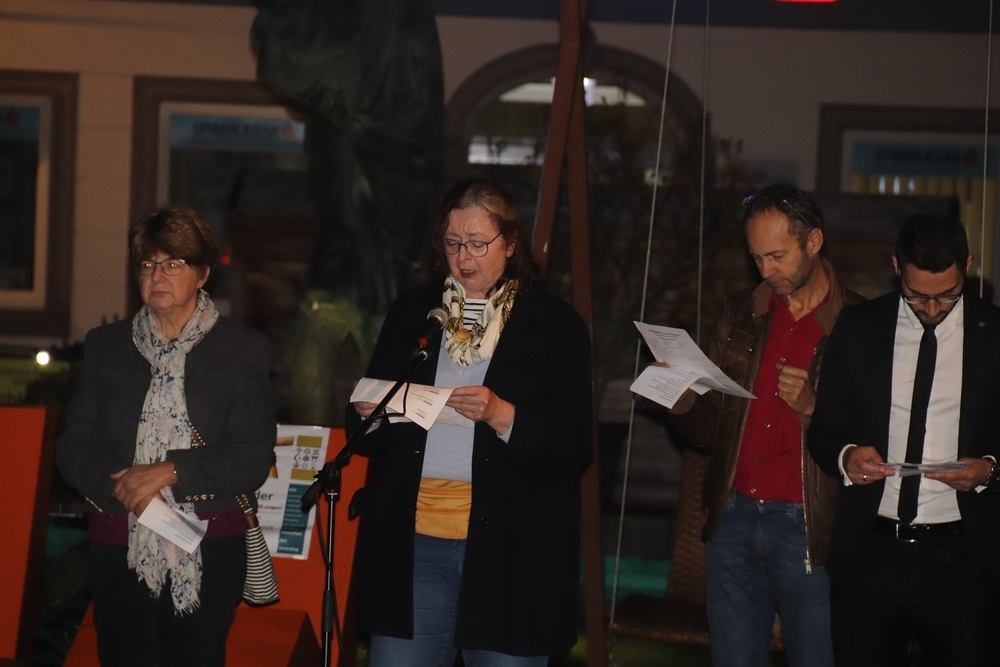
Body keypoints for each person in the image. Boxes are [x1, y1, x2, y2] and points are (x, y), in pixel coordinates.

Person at [347, 179, 593, 667]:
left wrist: (503, 415)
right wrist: (369, 416)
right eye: (453, 242)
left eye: (478, 243)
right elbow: (371, 423)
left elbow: (573, 445)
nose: (464, 257)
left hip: (512, 549)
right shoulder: (415, 312)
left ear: (511, 243)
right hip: (414, 543)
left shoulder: (554, 324)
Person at [56, 206, 276, 667]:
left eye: (173, 263)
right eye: (147, 263)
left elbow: (251, 455)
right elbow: (74, 444)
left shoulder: (243, 350)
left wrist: (168, 471)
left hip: (209, 543)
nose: (157, 275)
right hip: (119, 538)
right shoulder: (106, 346)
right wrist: (126, 487)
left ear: (203, 274)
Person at [666, 183, 862, 667]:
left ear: (813, 241)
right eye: (756, 258)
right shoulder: (740, 312)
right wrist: (682, 401)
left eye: (777, 256)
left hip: (810, 526)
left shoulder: (859, 323)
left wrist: (814, 408)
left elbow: (875, 442)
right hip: (733, 516)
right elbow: (709, 433)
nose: (766, 271)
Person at [808, 214, 1000, 666]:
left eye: (948, 295)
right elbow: (824, 429)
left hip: (964, 557)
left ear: (968, 265)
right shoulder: (858, 328)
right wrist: (847, 457)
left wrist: (990, 470)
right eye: (916, 296)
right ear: (896, 267)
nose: (932, 309)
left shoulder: (994, 335)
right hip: (870, 551)